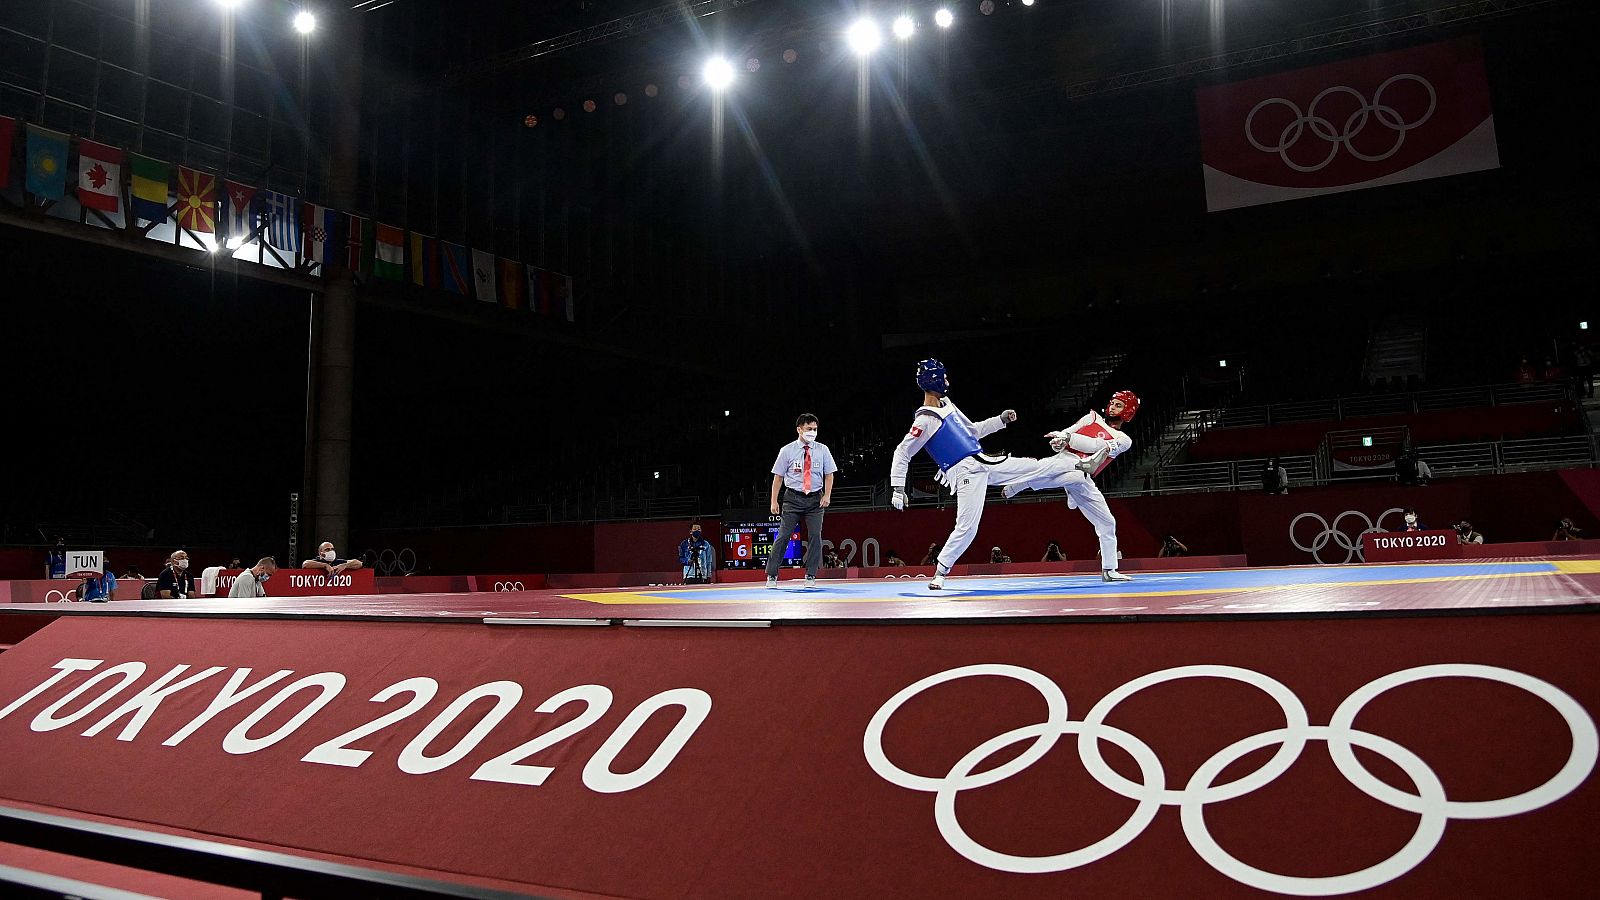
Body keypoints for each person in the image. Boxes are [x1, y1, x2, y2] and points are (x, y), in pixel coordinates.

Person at [888, 359, 1041, 591]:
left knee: (1033, 466)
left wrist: (1000, 420)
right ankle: (940, 572)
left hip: (983, 461)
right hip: (965, 471)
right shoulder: (925, 419)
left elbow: (972, 432)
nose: (948, 380)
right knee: (967, 527)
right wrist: (897, 488)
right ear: (935, 380)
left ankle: (1073, 472)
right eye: (944, 376)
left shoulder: (948, 404)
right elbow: (902, 451)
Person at [999, 390, 1140, 582]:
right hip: (1067, 460)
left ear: (1128, 412)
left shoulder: (1124, 440)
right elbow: (1069, 431)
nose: (1112, 407)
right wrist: (1059, 440)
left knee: (1107, 522)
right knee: (1046, 468)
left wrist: (1069, 440)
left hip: (1084, 475)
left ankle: (1109, 570)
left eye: (1118, 405)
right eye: (1112, 403)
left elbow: (1096, 445)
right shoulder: (1091, 417)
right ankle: (1005, 475)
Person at [765, 414, 837, 588]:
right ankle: (772, 575)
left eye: (815, 429)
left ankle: (811, 575)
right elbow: (778, 477)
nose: (812, 432)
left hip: (815, 500)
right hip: (793, 499)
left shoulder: (823, 450)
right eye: (809, 429)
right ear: (799, 429)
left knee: (815, 536)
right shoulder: (787, 450)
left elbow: (829, 474)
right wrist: (774, 501)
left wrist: (827, 495)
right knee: (783, 536)